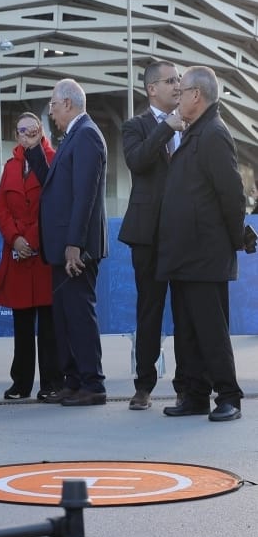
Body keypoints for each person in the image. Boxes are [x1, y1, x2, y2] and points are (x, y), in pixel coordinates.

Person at [157, 66, 245, 422]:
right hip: (185, 254)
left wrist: (232, 241)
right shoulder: (196, 132)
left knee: (211, 330)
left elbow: (232, 195)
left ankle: (229, 396)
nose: (177, 97)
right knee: (188, 331)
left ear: (197, 95)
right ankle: (195, 396)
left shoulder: (214, 134)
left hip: (205, 254)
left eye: (182, 91)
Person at [23, 79, 108, 406]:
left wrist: (74, 244)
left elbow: (85, 195)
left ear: (68, 104)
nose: (52, 112)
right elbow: (55, 186)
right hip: (64, 248)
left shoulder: (86, 135)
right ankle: (73, 381)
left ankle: (92, 383)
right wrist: (35, 150)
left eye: (54, 105)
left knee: (79, 315)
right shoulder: (74, 136)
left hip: (77, 249)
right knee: (65, 317)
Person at [118, 61, 186, 410]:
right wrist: (166, 128)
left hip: (185, 234)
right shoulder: (136, 126)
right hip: (148, 235)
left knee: (187, 311)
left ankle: (186, 385)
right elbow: (138, 161)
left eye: (180, 80)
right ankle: (143, 386)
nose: (178, 86)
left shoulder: (192, 125)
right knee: (150, 310)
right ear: (151, 89)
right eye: (170, 81)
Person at [0, 113, 62, 401]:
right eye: (21, 130)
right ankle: (20, 383)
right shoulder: (10, 166)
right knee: (21, 325)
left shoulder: (53, 159)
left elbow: (53, 204)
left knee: (48, 326)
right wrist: (15, 239)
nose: (27, 134)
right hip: (18, 257)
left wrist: (31, 239)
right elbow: (0, 208)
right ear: (16, 134)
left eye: (32, 129)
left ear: (41, 130)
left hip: (42, 256)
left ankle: (51, 383)